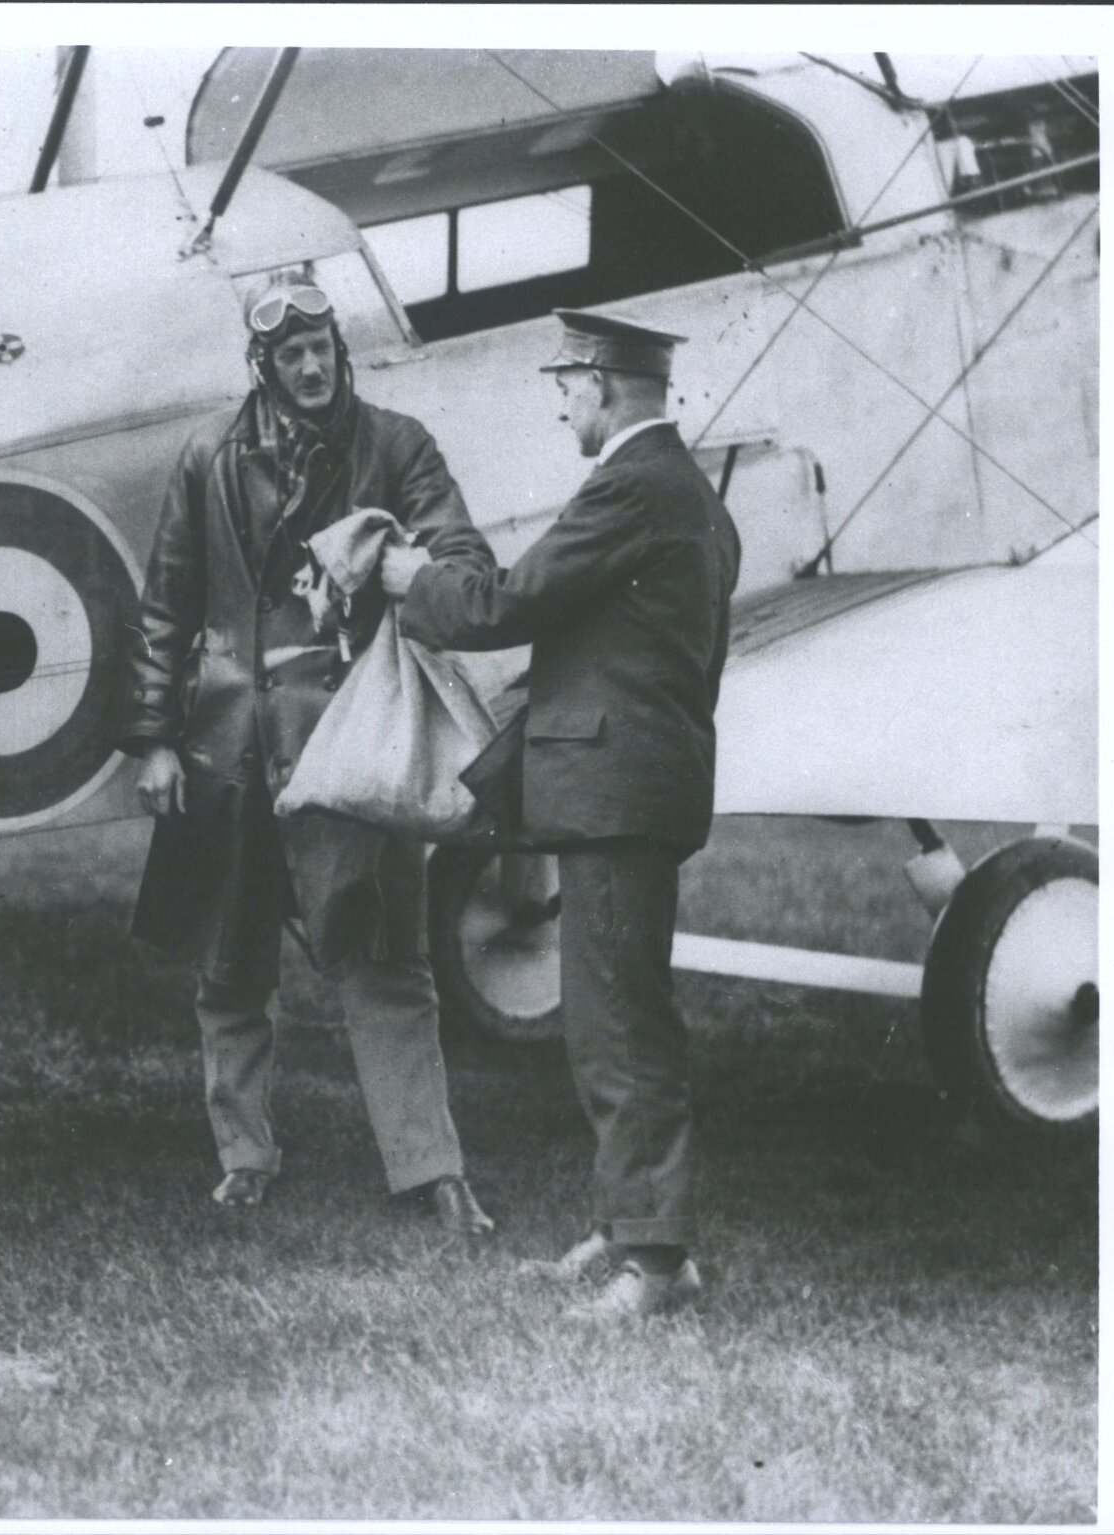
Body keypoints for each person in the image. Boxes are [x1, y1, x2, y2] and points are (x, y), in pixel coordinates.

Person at [382, 308, 742, 1320]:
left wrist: (413, 578)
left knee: (619, 1021)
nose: (558, 400)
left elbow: (504, 603)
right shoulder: (690, 494)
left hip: (614, 792)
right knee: (610, 1014)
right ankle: (634, 1229)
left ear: (603, 385)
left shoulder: (631, 484)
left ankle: (656, 1263)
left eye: (565, 382)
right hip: (636, 784)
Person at [123, 275, 496, 1232]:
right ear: (261, 364)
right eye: (290, 353)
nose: (312, 364)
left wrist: (399, 558)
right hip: (229, 742)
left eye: (323, 345)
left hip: (352, 744)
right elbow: (166, 605)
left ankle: (430, 1168)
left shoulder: (397, 444)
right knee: (231, 962)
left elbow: (462, 561)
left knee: (383, 957)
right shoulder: (209, 453)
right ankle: (244, 1155)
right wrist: (157, 739)